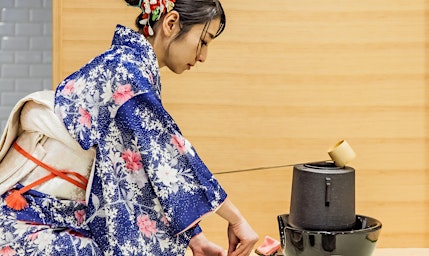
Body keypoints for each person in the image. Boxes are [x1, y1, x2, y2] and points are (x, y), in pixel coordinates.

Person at [0, 0, 259, 255]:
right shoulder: (124, 70)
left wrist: (195, 237)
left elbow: (138, 169)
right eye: (203, 41)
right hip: (32, 218)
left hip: (55, 214)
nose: (203, 56)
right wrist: (235, 218)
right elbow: (168, 158)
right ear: (171, 23)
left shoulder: (128, 66)